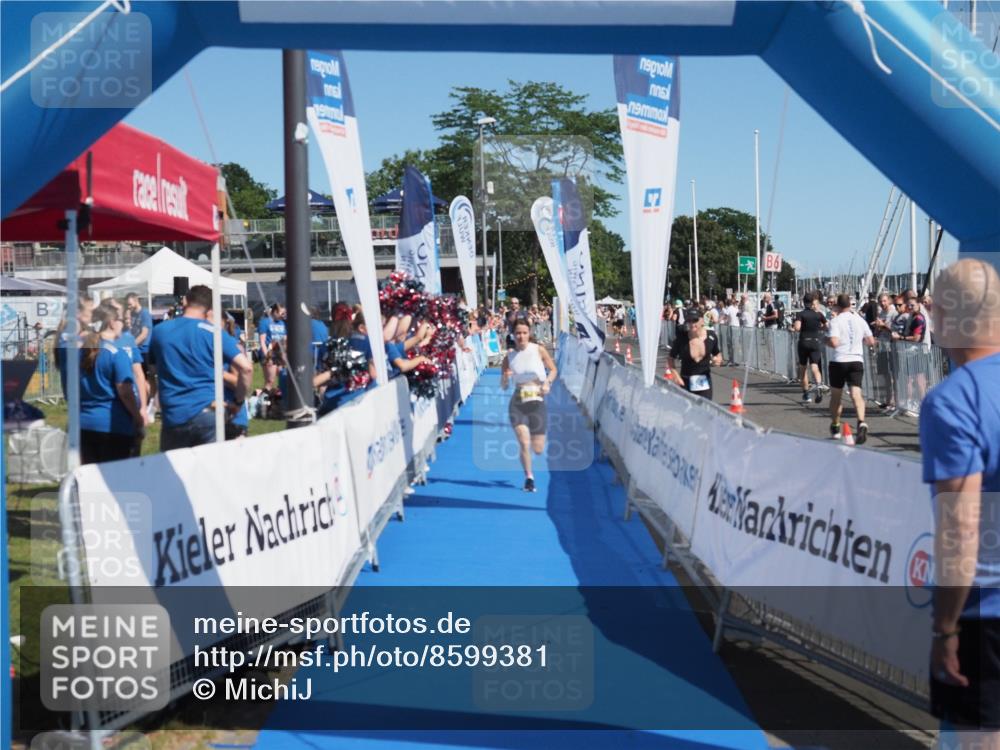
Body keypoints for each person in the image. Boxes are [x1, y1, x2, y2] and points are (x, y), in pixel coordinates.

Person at [918, 259, 1000, 749]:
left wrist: (944, 628)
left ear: (944, 316)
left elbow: (961, 530)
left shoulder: (953, 401)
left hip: (985, 614)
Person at [151, 285, 253, 450]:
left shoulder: (159, 331)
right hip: (208, 412)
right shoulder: (213, 332)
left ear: (185, 301)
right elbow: (246, 368)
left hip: (173, 415)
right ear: (210, 308)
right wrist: (238, 401)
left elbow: (153, 369)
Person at [76, 304, 144, 464]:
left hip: (84, 423)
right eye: (120, 320)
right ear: (112, 323)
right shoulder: (116, 353)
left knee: (90, 480)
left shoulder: (80, 352)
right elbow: (125, 391)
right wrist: (137, 416)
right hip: (113, 424)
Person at [501, 317, 558, 492]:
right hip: (517, 402)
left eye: (524, 333)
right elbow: (503, 386)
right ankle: (529, 478)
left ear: (529, 333)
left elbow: (554, 369)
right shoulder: (509, 357)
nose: (521, 336)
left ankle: (536, 448)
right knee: (524, 443)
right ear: (513, 334)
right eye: (518, 333)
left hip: (537, 400)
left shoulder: (539, 350)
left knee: (538, 448)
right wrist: (505, 377)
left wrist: (547, 382)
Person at [825, 293, 875, 443]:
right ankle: (861, 422)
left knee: (836, 396)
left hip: (840, 360)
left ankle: (835, 425)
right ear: (850, 304)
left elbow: (834, 342)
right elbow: (871, 341)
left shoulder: (836, 321)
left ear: (837, 305)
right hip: (856, 360)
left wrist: (825, 340)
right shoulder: (859, 320)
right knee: (856, 394)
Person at [668, 315, 722, 400]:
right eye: (689, 320)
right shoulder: (681, 339)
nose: (692, 323)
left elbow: (718, 355)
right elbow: (670, 358)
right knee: (687, 410)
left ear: (702, 321)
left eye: (695, 320)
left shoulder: (711, 336)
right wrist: (676, 376)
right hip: (686, 380)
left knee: (705, 409)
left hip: (704, 381)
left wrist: (717, 360)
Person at [793, 292, 827, 403]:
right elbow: (826, 326)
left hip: (804, 342)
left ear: (803, 302)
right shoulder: (819, 314)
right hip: (815, 342)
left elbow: (797, 327)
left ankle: (806, 394)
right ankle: (818, 385)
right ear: (813, 302)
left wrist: (794, 327)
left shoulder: (801, 314)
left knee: (803, 369)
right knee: (814, 366)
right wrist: (819, 327)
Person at [258, 303, 287, 390]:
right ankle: (262, 400)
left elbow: (285, 338)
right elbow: (262, 341)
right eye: (281, 313)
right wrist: (267, 356)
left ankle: (278, 399)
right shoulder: (265, 322)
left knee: (283, 378)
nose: (283, 315)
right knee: (270, 381)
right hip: (270, 353)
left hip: (280, 354)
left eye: (284, 313)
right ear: (275, 312)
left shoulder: (282, 323)